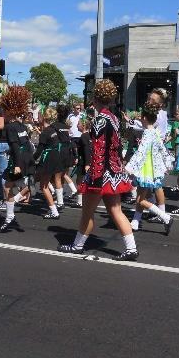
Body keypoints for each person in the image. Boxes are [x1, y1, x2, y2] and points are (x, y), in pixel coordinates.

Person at [58, 79, 138, 261]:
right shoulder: (114, 118)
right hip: (115, 172)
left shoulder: (99, 120)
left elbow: (98, 150)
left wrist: (94, 175)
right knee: (116, 210)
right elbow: (116, 147)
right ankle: (131, 248)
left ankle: (77, 246)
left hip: (100, 174)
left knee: (87, 212)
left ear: (95, 98)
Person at [125, 101, 174, 234]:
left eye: (141, 116)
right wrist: (168, 162)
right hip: (152, 169)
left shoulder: (147, 133)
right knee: (141, 197)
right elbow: (163, 149)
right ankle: (135, 222)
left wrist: (129, 167)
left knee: (140, 199)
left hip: (146, 169)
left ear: (145, 118)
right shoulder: (156, 132)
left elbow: (141, 152)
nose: (140, 118)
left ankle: (165, 216)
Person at [0, 86, 36, 232]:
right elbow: (26, 143)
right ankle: (25, 186)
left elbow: (15, 146)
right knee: (11, 183)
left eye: (4, 110)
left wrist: (17, 164)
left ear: (9, 110)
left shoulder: (9, 128)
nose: (3, 113)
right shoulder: (22, 125)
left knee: (7, 186)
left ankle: (12, 211)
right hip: (27, 156)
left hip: (18, 159)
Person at [34, 108, 64, 219]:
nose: (38, 118)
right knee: (43, 182)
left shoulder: (45, 132)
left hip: (49, 159)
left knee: (43, 186)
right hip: (56, 157)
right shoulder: (53, 130)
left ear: (44, 118)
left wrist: (30, 161)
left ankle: (54, 211)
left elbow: (38, 152)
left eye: (40, 116)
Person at [71, 116, 92, 208]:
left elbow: (87, 150)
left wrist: (87, 164)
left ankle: (80, 201)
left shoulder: (83, 136)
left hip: (83, 162)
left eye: (78, 124)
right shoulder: (89, 136)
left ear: (83, 126)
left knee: (79, 181)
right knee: (83, 181)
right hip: (85, 160)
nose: (77, 125)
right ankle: (83, 200)